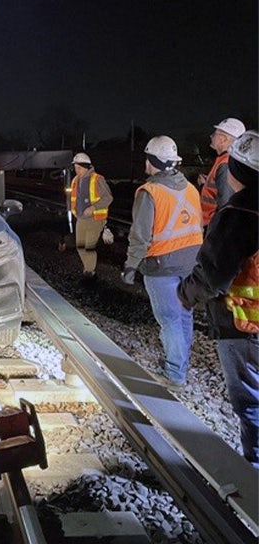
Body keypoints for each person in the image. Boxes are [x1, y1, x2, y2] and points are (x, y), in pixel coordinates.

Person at [178, 129, 259, 467]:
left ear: (237, 172)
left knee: (251, 406)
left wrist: (185, 294)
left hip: (244, 327)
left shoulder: (239, 214)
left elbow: (213, 277)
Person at [123, 135, 203, 390]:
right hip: (191, 264)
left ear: (153, 161)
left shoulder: (149, 192)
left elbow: (140, 235)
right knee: (184, 316)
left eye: (148, 159)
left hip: (162, 266)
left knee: (169, 320)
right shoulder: (190, 188)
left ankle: (175, 375)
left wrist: (131, 265)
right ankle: (181, 365)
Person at [68, 152, 113, 281]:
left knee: (89, 247)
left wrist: (93, 207)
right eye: (75, 168)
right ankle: (88, 268)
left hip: (95, 219)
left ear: (86, 167)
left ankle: (89, 272)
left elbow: (108, 198)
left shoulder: (97, 179)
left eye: (79, 168)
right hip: (81, 219)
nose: (77, 171)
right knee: (80, 246)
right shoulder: (75, 181)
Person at [201, 117, 245, 226]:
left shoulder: (225, 164)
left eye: (215, 134)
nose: (211, 137)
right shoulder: (225, 161)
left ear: (223, 139)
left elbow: (226, 204)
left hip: (213, 225)